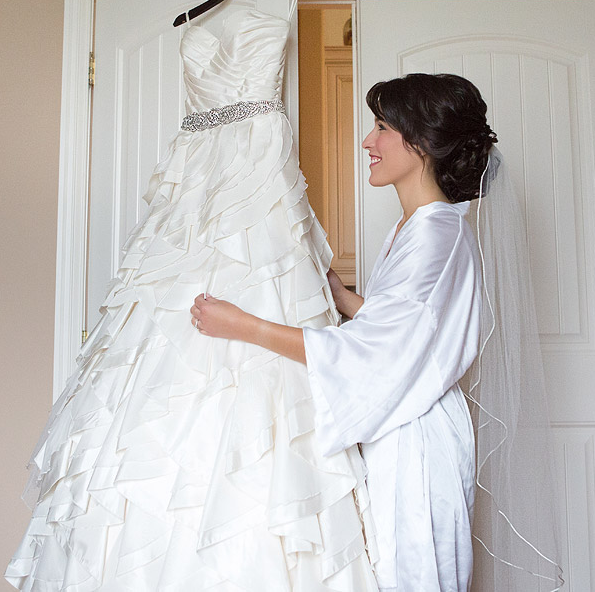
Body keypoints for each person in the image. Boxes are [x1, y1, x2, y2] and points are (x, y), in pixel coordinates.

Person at [6, 0, 379, 591]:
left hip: (258, 173)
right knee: (155, 355)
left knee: (256, 374)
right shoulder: (202, 16)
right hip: (194, 183)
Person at [192, 73, 563, 592]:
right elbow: (410, 330)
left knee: (413, 577)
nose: (369, 141)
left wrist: (241, 325)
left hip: (418, 441)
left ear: (425, 143)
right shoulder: (413, 228)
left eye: (383, 126)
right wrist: (348, 300)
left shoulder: (437, 236)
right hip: (402, 426)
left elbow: (373, 353)